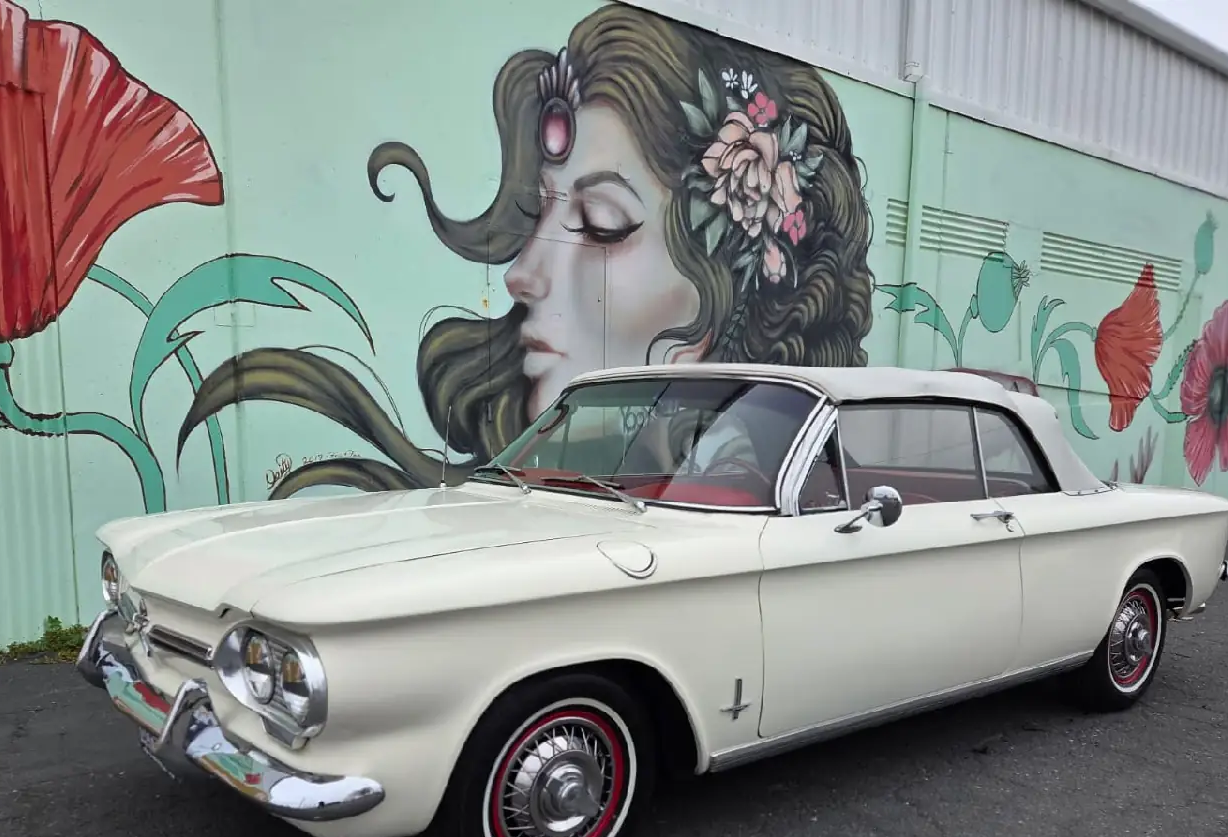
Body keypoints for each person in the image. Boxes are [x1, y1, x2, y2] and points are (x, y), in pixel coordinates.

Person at [179, 4, 877, 497]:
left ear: (729, 291)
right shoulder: (548, 490)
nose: (520, 273)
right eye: (542, 212)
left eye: (601, 225)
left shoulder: (754, 501)